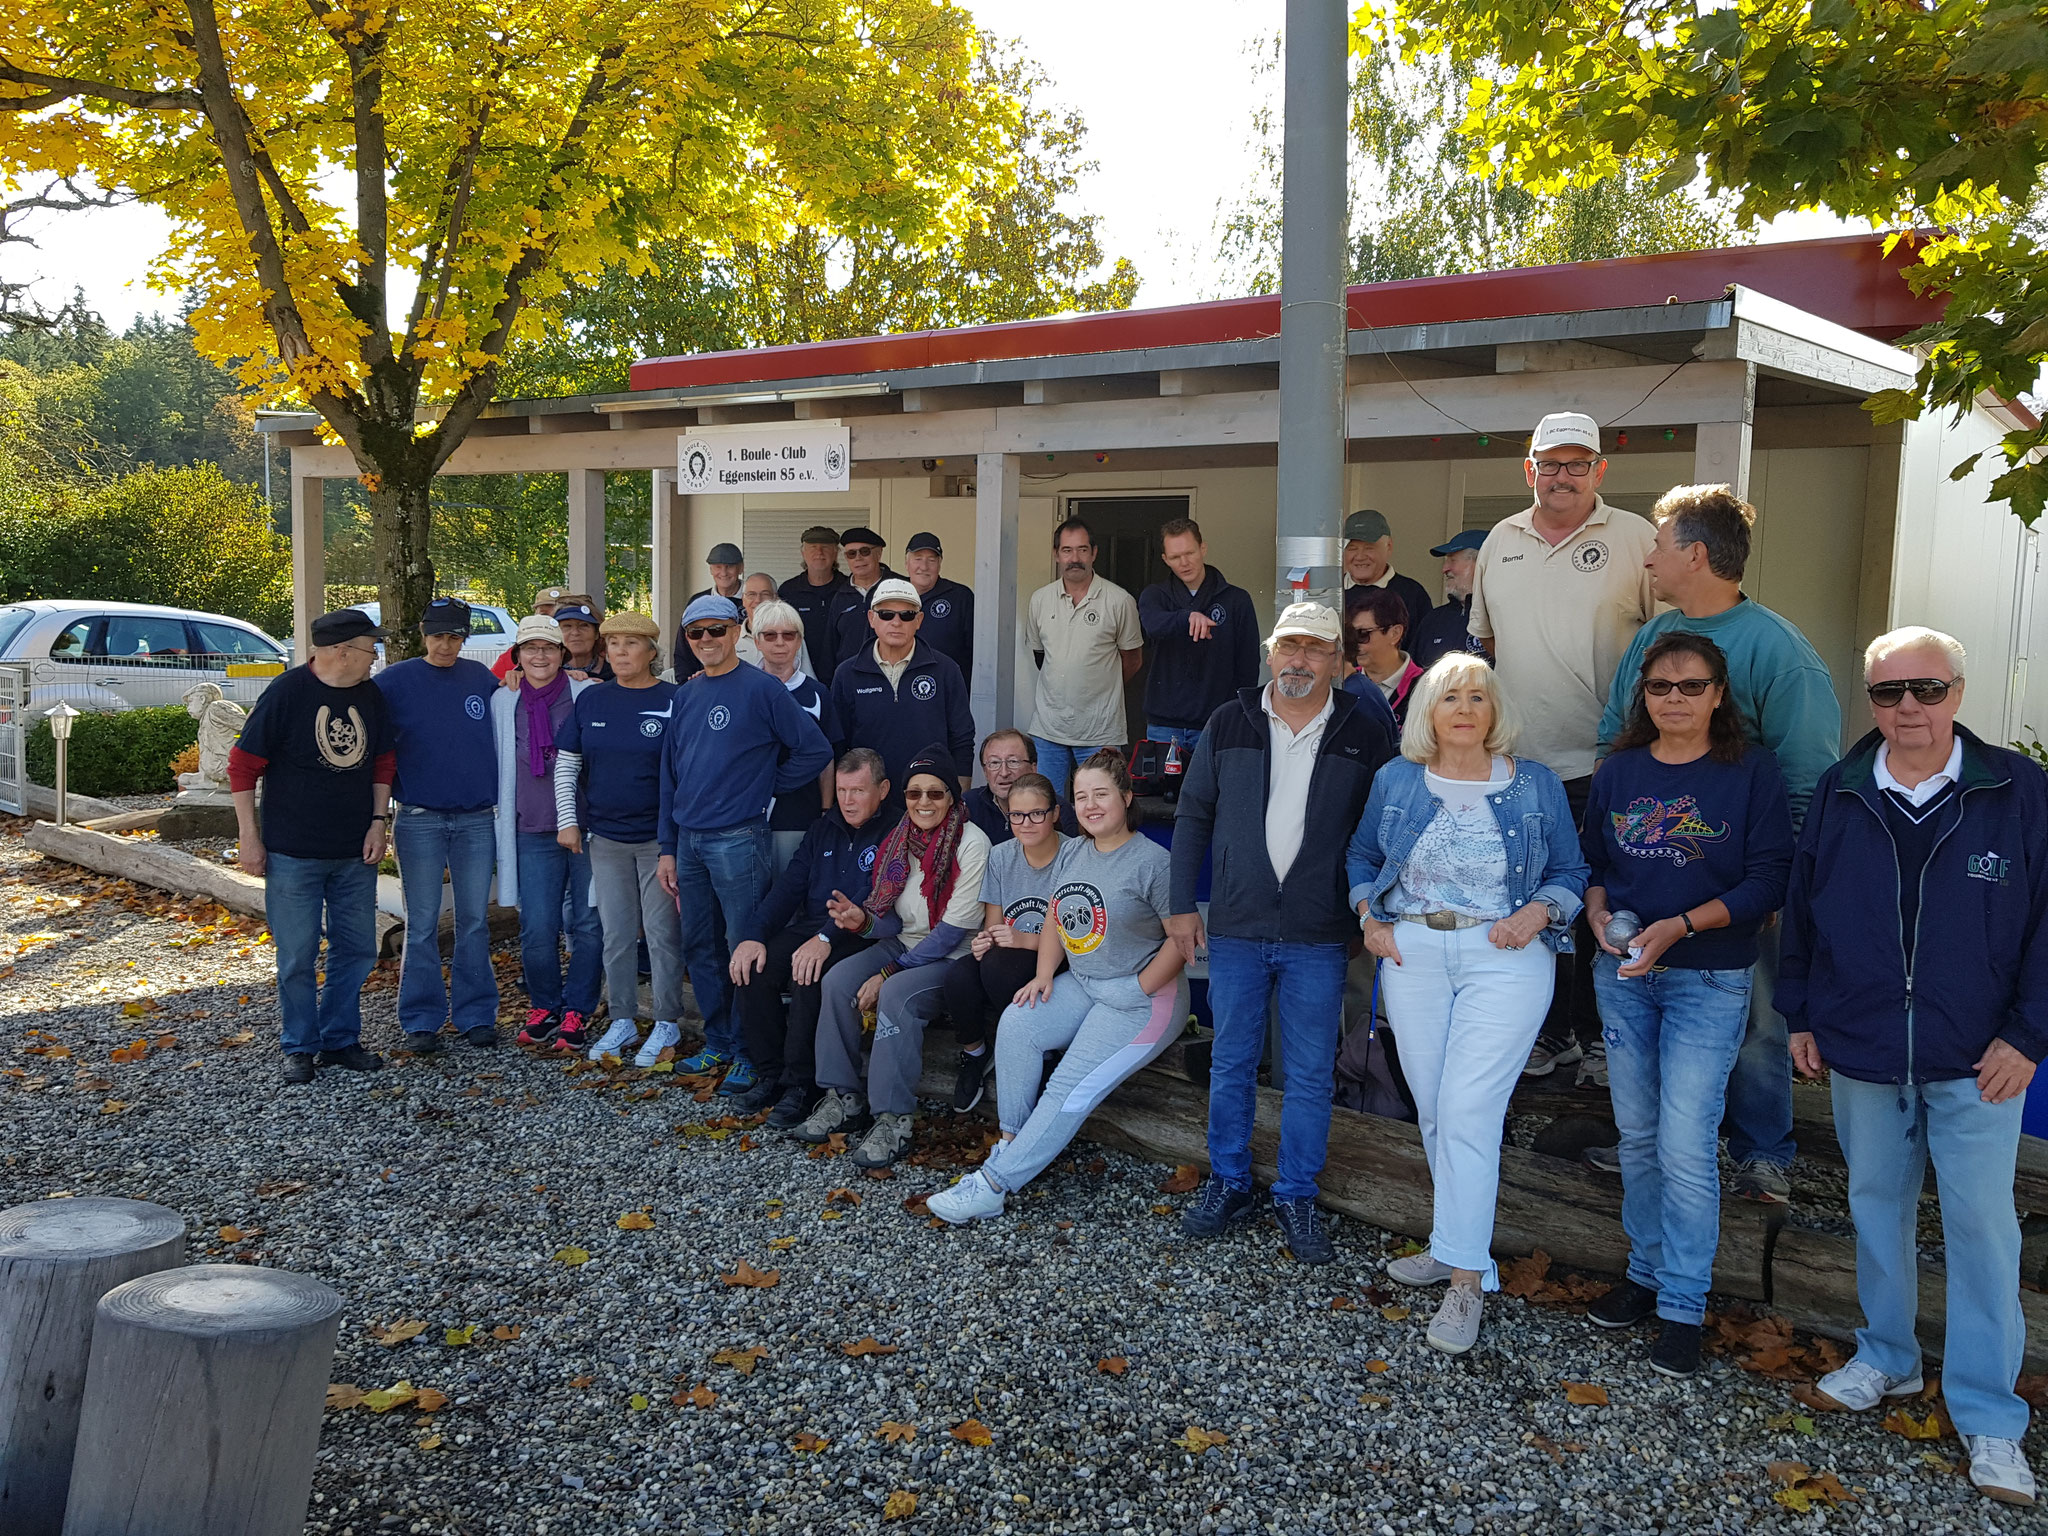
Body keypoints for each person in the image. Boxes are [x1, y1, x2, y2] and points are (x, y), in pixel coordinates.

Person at [1779, 627, 2048, 1508]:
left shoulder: (2016, 790)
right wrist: (1800, 1013)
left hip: (1980, 1057)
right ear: (1872, 701)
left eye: (1928, 690)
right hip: (1863, 1046)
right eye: (1890, 692)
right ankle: (1887, 1357)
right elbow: (1804, 909)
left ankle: (1990, 1413)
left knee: (1982, 1230)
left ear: (1958, 694)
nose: (1909, 708)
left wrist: (2029, 1034)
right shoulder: (1843, 788)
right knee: (1874, 1210)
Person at [1595, 483, 1842, 1205]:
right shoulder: (1652, 639)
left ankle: (1763, 1153)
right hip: (1650, 870)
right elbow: (1616, 737)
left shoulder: (1778, 649)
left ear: (1696, 554)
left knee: (1758, 1017)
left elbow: (1807, 773)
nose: (1648, 560)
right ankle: (1650, 1144)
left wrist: (1778, 882)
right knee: (1646, 1006)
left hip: (1741, 882)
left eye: (1659, 546)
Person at [1344, 655, 1587, 1355]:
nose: (1465, 708)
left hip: (1504, 955)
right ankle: (1455, 1242)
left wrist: (1540, 912)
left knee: (1467, 1109)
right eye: (1451, 696)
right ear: (1428, 709)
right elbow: (1361, 857)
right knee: (1433, 1109)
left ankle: (1465, 1280)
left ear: (1494, 710)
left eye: (1479, 696)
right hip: (1414, 952)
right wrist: (1369, 918)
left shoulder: (1534, 784)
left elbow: (1571, 871)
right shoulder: (1397, 779)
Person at [1579, 633, 1793, 1378]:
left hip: (1708, 976)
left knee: (1684, 1141)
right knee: (1637, 1136)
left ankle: (1683, 1305)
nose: (1674, 699)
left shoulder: (1751, 771)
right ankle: (1644, 1274)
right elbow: (1595, 862)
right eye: (1660, 687)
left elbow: (1768, 880)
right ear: (1643, 695)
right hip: (1624, 974)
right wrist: (1596, 913)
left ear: (1719, 694)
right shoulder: (1620, 771)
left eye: (1692, 686)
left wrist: (1680, 926)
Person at [1167, 602, 1397, 1263]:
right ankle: (1229, 1180)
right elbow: (1193, 816)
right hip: (1237, 926)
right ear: (1270, 654)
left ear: (1338, 662)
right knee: (1232, 1062)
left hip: (1318, 932)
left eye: (1315, 648)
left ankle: (1296, 1193)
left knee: (1309, 1073)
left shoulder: (1363, 731)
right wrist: (1182, 906)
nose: (1300, 659)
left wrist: (1365, 913)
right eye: (1289, 646)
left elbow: (1381, 833)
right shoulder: (1229, 721)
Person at [1467, 410, 1656, 1087]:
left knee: (1606, 904)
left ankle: (1604, 1037)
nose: (1563, 477)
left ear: (1600, 470)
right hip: (1519, 765)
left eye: (1578, 464)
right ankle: (1552, 1033)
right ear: (1530, 470)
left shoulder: (1637, 538)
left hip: (1612, 763)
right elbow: (1489, 644)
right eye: (1550, 464)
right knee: (1529, 898)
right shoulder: (1500, 539)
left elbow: (1668, 647)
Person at [928, 748, 1190, 1222]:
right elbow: (1055, 916)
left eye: (1101, 794)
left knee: (1069, 1085)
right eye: (1081, 796)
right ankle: (1010, 1144)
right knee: (1017, 1024)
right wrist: (1044, 973)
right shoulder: (1075, 851)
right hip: (1085, 984)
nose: (1090, 805)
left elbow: (1184, 937)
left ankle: (994, 1185)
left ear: (1127, 797)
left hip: (1141, 1000)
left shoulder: (1153, 862)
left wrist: (1139, 988)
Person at [657, 594, 835, 1092]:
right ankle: (717, 1040)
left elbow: (815, 749)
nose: (707, 639)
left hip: (738, 838)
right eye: (696, 632)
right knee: (700, 944)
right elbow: (669, 775)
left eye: (717, 629)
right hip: (688, 840)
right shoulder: (685, 695)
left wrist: (764, 787)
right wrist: (667, 846)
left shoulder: (763, 689)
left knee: (744, 948)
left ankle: (748, 1052)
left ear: (737, 633)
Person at [798, 744, 991, 1168]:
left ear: (952, 796)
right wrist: (861, 921)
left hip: (952, 957)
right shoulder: (900, 838)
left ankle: (893, 1118)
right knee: (836, 982)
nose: (923, 802)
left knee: (897, 994)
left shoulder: (972, 844)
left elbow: (949, 935)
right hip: (903, 943)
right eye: (914, 793)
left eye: (935, 793)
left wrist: (887, 973)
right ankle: (842, 1096)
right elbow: (892, 919)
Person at [229, 608, 396, 1085]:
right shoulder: (287, 693)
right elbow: (242, 765)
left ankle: (340, 1038)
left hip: (354, 851)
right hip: (293, 853)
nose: (374, 657)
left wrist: (378, 822)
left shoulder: (370, 695)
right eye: (370, 647)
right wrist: (249, 835)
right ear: (342, 651)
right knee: (297, 955)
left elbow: (383, 761)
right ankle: (300, 1045)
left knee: (357, 949)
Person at [549, 612, 688, 1065]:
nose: (621, 651)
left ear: (651, 651)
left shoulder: (674, 699)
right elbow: (567, 763)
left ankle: (667, 1020)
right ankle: (623, 1018)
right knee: (617, 935)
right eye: (613, 643)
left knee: (663, 934)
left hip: (659, 841)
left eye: (631, 643)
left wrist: (675, 841)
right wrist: (568, 821)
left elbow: (687, 771)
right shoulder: (592, 700)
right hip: (605, 838)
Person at [727, 748, 892, 1125]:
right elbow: (789, 887)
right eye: (842, 790)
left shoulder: (895, 830)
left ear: (882, 790)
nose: (848, 801)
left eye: (858, 791)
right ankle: (770, 1074)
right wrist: (754, 935)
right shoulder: (823, 828)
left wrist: (826, 938)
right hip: (814, 926)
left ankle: (802, 1085)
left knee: (809, 974)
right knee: (753, 967)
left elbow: (875, 894)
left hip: (864, 930)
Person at [372, 595, 500, 1053]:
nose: (445, 645)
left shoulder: (481, 679)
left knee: (474, 921)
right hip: (419, 818)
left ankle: (476, 1014)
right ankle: (421, 1020)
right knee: (422, 922)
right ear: (424, 635)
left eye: (454, 637)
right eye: (438, 636)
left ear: (464, 639)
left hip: (476, 819)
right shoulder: (394, 681)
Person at [490, 617, 601, 1051]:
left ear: (563, 654)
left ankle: (578, 1009)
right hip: (532, 827)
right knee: (537, 925)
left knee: (589, 922)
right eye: (531, 648)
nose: (540, 656)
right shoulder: (504, 700)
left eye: (549, 648)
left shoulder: (585, 694)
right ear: (517, 656)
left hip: (586, 826)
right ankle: (545, 1006)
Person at [941, 769, 1068, 1113]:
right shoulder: (1000, 856)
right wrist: (985, 940)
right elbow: (994, 925)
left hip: (1058, 960)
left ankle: (1044, 1052)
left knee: (1000, 968)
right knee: (958, 975)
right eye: (1016, 815)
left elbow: (1076, 938)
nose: (1026, 823)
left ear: (1055, 813)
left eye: (1036, 813)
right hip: (1010, 955)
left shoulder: (1073, 855)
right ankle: (976, 1054)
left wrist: (1023, 939)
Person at [1024, 515, 1144, 797]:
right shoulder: (1040, 600)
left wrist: (1100, 687)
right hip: (1049, 730)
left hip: (1100, 732)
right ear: (1056, 554)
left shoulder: (1119, 601)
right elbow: (1041, 657)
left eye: (1082, 550)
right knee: (1046, 806)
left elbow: (1133, 659)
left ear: (1094, 553)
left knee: (1100, 806)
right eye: (1067, 550)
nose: (1074, 558)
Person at [828, 577, 974, 798]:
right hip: (869, 800)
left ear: (919, 620)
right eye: (886, 614)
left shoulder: (946, 670)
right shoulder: (847, 674)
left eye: (907, 615)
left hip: (928, 800)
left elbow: (962, 738)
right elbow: (837, 744)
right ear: (871, 618)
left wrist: (959, 797)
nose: (896, 622)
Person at [1136, 516, 1259, 751]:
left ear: (1203, 549)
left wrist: (1240, 714)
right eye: (1175, 557)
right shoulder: (1155, 595)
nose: (1184, 562)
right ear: (1165, 559)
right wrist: (1187, 617)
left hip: (1218, 721)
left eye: (1189, 553)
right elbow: (1153, 625)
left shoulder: (1236, 599)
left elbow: (1249, 665)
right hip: (1164, 724)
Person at [750, 598, 841, 871]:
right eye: (770, 635)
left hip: (800, 815)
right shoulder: (743, 690)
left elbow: (827, 757)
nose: (780, 642)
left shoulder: (817, 693)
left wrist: (825, 809)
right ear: (756, 641)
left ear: (799, 640)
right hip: (746, 817)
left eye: (788, 635)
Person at [963, 729, 1077, 844]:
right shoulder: (969, 805)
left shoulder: (1055, 808)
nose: (1004, 772)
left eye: (1013, 762)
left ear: (1033, 768)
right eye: (994, 763)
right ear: (985, 771)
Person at [820, 526, 898, 685]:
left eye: (864, 552)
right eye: (851, 554)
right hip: (851, 682)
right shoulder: (840, 596)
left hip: (894, 679)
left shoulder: (899, 588)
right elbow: (831, 647)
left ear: (879, 553)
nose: (858, 558)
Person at [1341, 509, 1432, 639]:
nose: (1360, 557)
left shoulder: (1412, 594)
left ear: (1389, 546)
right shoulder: (1329, 591)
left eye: (1369, 548)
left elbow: (1422, 646)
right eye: (1352, 549)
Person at [1345, 588, 1425, 730]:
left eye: (1362, 634)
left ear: (1395, 633)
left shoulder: (1426, 687)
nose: (1354, 643)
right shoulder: (1342, 683)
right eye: (1349, 635)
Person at [902, 531, 975, 681]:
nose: (924, 567)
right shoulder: (892, 597)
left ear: (940, 564)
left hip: (947, 686)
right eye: (918, 559)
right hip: (900, 686)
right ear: (906, 563)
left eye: (931, 560)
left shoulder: (960, 597)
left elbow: (976, 650)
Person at [1410, 530, 1488, 669]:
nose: (1444, 569)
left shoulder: (1500, 617)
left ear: (1481, 563)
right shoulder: (1433, 620)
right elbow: (1413, 674)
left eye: (1452, 560)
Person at [779, 525, 850, 675]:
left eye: (825, 547)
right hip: (800, 674)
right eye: (813, 547)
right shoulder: (788, 591)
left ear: (836, 553)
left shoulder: (849, 589)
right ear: (803, 553)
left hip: (843, 674)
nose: (819, 552)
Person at [675, 547, 746, 681]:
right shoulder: (697, 601)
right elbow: (683, 649)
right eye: (718, 567)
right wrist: (685, 683)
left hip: (744, 678)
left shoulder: (754, 599)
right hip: (703, 680)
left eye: (729, 566)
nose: (723, 572)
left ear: (741, 568)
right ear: (711, 569)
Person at [490, 585, 568, 680]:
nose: (552, 620)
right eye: (544, 615)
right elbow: (495, 685)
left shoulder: (584, 657)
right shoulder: (510, 657)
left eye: (561, 614)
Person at [551, 599, 612, 683]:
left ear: (596, 633)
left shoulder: (615, 673)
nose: (575, 633)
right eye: (567, 626)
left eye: (583, 625)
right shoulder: (544, 673)